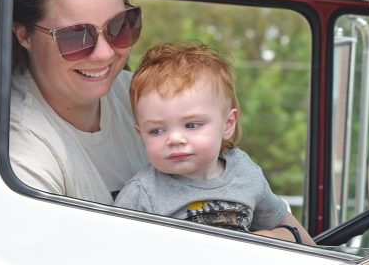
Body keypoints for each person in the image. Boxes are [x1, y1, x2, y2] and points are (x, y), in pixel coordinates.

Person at [116, 43, 314, 245]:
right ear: (140, 134)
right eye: (156, 131)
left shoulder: (244, 172)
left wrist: (324, 259)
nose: (175, 139)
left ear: (228, 124)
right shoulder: (142, 193)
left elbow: (281, 220)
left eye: (191, 125)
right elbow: (115, 250)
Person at [9, 0, 149, 203]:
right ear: (25, 35)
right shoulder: (23, 149)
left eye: (120, 26)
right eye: (76, 37)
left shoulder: (142, 95)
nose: (105, 53)